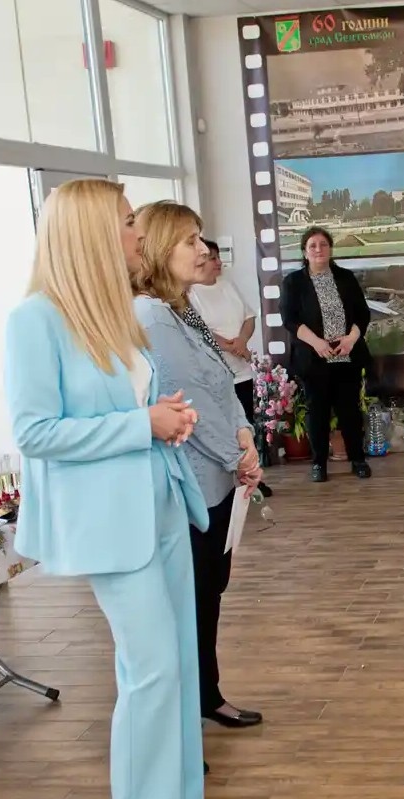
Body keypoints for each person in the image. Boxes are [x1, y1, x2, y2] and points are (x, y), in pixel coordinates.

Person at [4, 179, 217, 799]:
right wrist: (140, 424)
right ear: (93, 233)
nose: (138, 234)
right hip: (109, 524)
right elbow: (37, 432)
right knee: (150, 672)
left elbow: (127, 408)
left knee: (176, 660)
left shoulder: (114, 312)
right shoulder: (34, 320)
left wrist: (164, 418)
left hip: (159, 503)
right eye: (128, 222)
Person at [133, 200, 264, 730]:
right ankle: (185, 721)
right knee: (188, 605)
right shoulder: (151, 315)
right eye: (190, 240)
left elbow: (222, 383)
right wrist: (238, 454)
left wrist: (245, 436)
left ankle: (206, 696)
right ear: (161, 248)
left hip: (217, 478)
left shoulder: (182, 307)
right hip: (190, 485)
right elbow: (188, 401)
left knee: (207, 597)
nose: (203, 249)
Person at [281, 226, 373, 482]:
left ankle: (358, 460)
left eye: (323, 244)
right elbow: (290, 319)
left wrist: (351, 340)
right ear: (304, 252)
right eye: (312, 245)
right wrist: (317, 344)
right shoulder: (293, 282)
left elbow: (363, 314)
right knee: (318, 413)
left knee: (350, 412)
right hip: (314, 359)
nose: (318, 249)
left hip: (346, 356)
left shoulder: (346, 278)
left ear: (330, 249)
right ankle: (319, 463)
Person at [190, 239, 272, 497]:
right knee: (225, 431)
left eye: (217, 258)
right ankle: (231, 480)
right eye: (212, 258)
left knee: (246, 425)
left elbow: (249, 317)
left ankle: (252, 477)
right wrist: (229, 346)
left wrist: (242, 342)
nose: (217, 263)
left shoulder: (227, 285)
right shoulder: (190, 293)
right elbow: (199, 330)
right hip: (216, 373)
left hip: (241, 370)